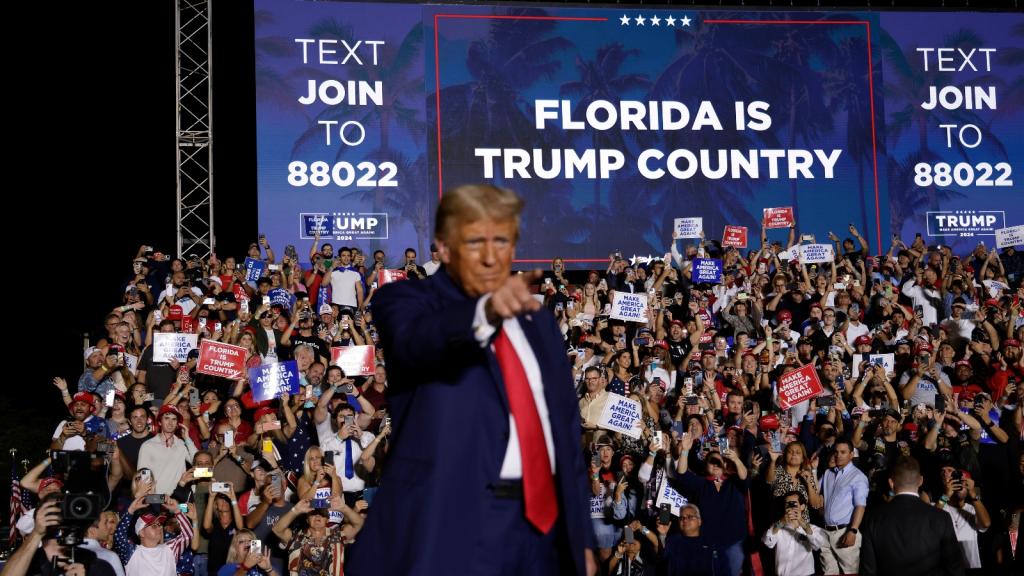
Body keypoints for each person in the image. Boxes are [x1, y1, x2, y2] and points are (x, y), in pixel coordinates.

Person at [346, 184, 596, 576]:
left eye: (501, 240)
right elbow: (419, 343)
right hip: (451, 528)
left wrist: (579, 540)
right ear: (444, 249)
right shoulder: (405, 301)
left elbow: (564, 435)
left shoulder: (540, 323)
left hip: (542, 538)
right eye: (475, 241)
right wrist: (484, 312)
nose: (491, 255)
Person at [859, 456, 965, 576]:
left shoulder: (873, 518)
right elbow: (955, 567)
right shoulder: (941, 517)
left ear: (891, 483)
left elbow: (868, 569)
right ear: (920, 481)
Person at [818, 438, 869, 575]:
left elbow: (860, 506)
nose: (838, 455)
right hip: (825, 531)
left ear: (851, 454)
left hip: (845, 531)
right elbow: (816, 495)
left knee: (850, 573)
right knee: (828, 573)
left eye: (843, 452)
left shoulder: (858, 477)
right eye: (836, 452)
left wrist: (852, 531)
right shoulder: (828, 473)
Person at [762, 491, 825, 576]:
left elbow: (818, 544)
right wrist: (782, 521)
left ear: (802, 507)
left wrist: (802, 523)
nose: (790, 507)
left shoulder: (811, 528)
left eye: (793, 504)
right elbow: (767, 542)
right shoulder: (778, 527)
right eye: (787, 504)